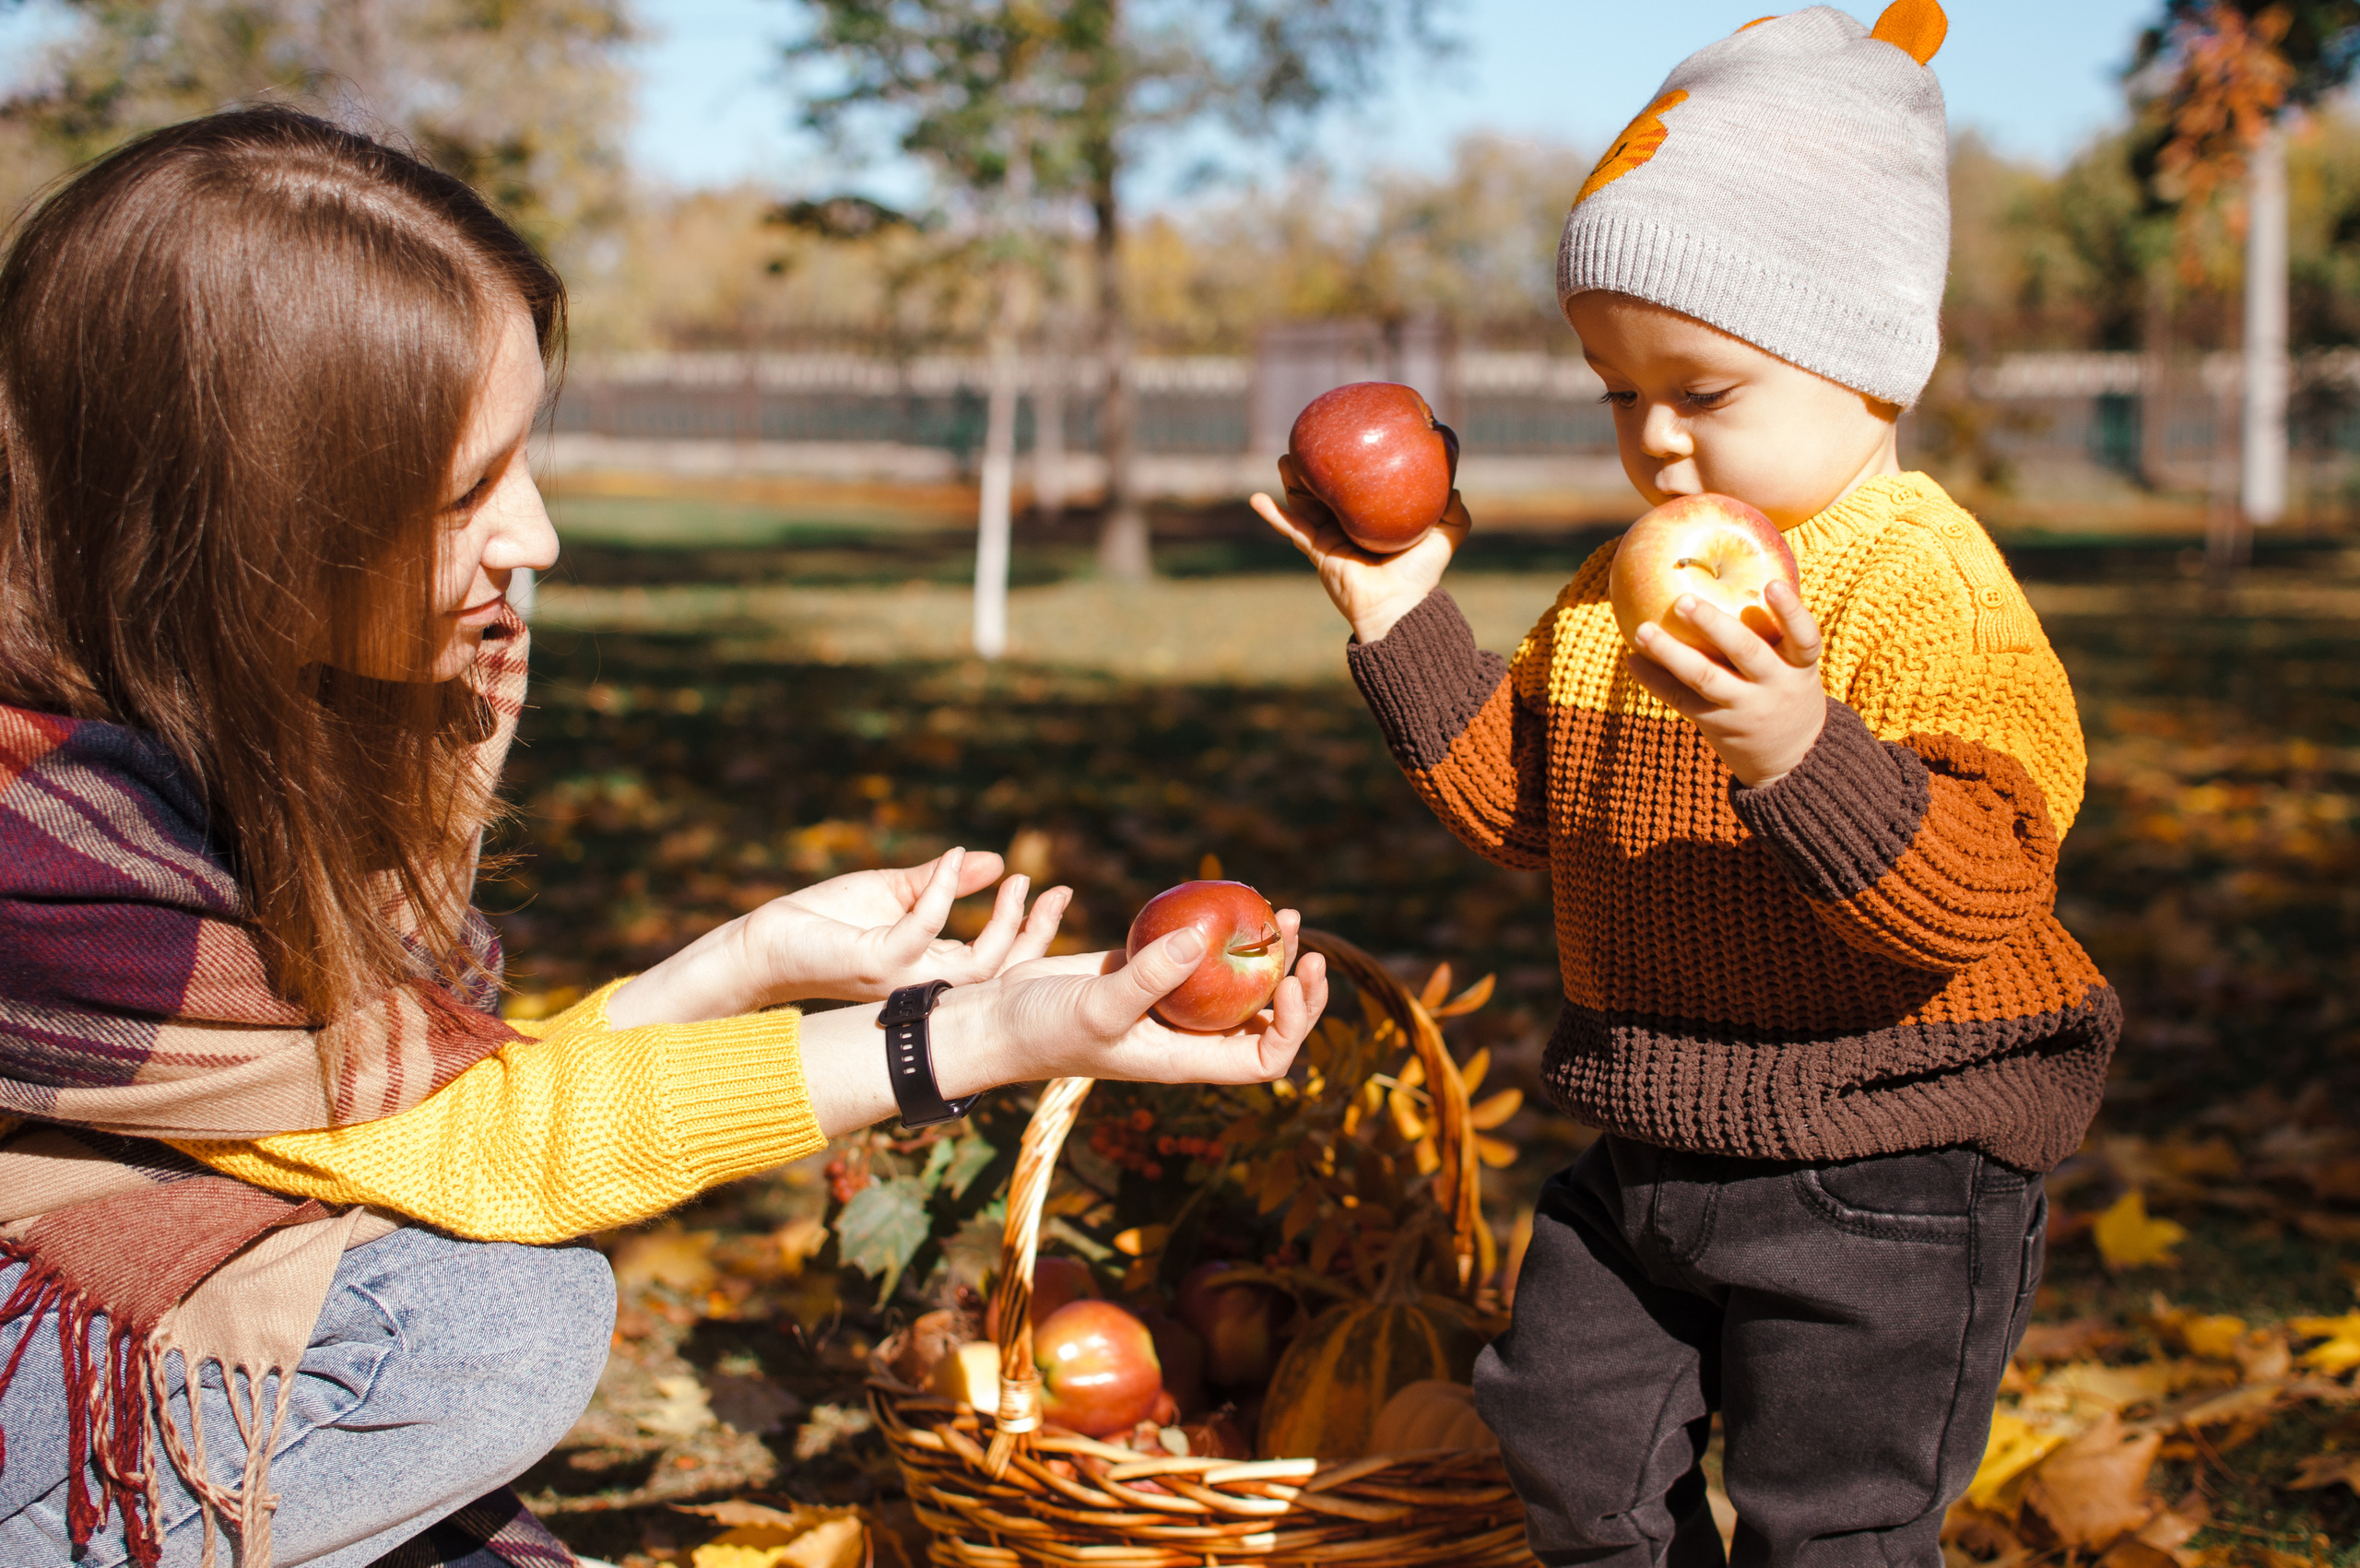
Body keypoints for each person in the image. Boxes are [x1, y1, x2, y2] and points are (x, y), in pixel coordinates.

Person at [0, 108, 1328, 1568]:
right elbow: (486, 1153)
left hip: (102, 1259)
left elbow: (428, 1124)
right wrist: (986, 1034)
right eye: (465, 491)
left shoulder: (181, 718)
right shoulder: (48, 850)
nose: (538, 538)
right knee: (482, 1324)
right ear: (246, 527)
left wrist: (748, 959)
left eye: (524, 460)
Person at [1255, 4, 2117, 1563]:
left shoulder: (1922, 587)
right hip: (1656, 1128)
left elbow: (1981, 886)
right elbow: (1527, 800)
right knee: (1566, 1441)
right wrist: (1398, 618)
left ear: (1865, 362)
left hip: (1893, 1157)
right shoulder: (1619, 587)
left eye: (1704, 392)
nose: (1655, 440)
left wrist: (1796, 745)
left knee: (1833, 1520)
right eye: (1616, 389)